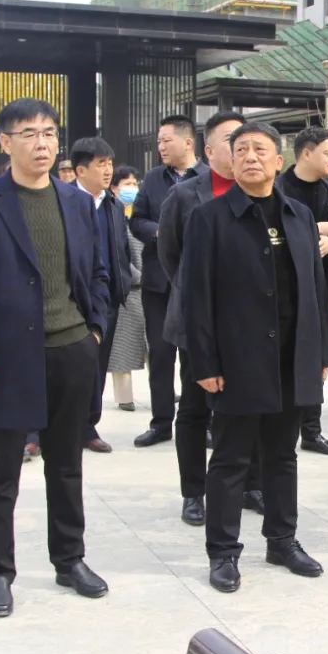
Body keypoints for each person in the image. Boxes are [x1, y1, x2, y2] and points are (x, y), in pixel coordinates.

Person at [0, 98, 110, 618]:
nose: (41, 144)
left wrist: (93, 329)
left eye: (48, 133)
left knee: (66, 466)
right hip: (7, 358)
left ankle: (70, 559)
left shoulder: (76, 201)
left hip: (71, 349)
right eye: (28, 134)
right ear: (5, 142)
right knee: (0, 473)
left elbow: (97, 271)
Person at [182, 121, 328, 593]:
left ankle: (282, 540)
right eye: (241, 149)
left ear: (278, 161)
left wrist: (321, 352)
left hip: (291, 357)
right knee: (230, 459)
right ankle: (223, 552)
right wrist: (205, 363)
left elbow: (316, 288)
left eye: (260, 149)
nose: (250, 157)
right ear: (229, 160)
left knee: (282, 455)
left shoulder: (298, 215)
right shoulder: (209, 218)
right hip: (237, 359)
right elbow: (195, 297)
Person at [158, 110, 265, 526]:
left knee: (250, 405)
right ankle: (193, 491)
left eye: (252, 142)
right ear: (209, 150)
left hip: (250, 324)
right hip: (197, 323)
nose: (245, 150)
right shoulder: (186, 195)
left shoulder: (262, 192)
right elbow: (171, 256)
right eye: (233, 141)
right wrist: (199, 298)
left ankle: (251, 484)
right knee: (194, 409)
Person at [129, 114, 205, 448]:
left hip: (195, 285)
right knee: (160, 355)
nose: (160, 146)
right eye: (158, 141)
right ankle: (161, 423)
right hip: (158, 284)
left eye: (166, 140)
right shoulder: (152, 179)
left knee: (194, 358)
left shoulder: (208, 178)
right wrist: (159, 232)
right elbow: (137, 221)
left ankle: (199, 422)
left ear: (188, 142)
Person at [277, 126, 328, 456]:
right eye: (327, 153)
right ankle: (284, 428)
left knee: (320, 360)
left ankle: (312, 430)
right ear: (306, 153)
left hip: (322, 289)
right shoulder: (278, 188)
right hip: (286, 290)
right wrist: (312, 230)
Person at [69, 137, 133, 454]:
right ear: (81, 170)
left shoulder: (114, 205)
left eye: (109, 163)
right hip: (71, 300)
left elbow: (120, 248)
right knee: (65, 366)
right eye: (100, 164)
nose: (108, 170)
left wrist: (121, 285)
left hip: (106, 299)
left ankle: (88, 427)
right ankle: (41, 430)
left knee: (97, 365)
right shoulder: (63, 201)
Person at [107, 166, 147, 412]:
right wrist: (136, 276)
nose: (132, 188)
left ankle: (163, 389)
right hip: (128, 288)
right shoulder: (112, 214)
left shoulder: (141, 213)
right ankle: (124, 397)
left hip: (148, 286)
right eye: (127, 184)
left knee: (155, 344)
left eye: (134, 183)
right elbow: (118, 253)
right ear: (114, 188)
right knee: (124, 345)